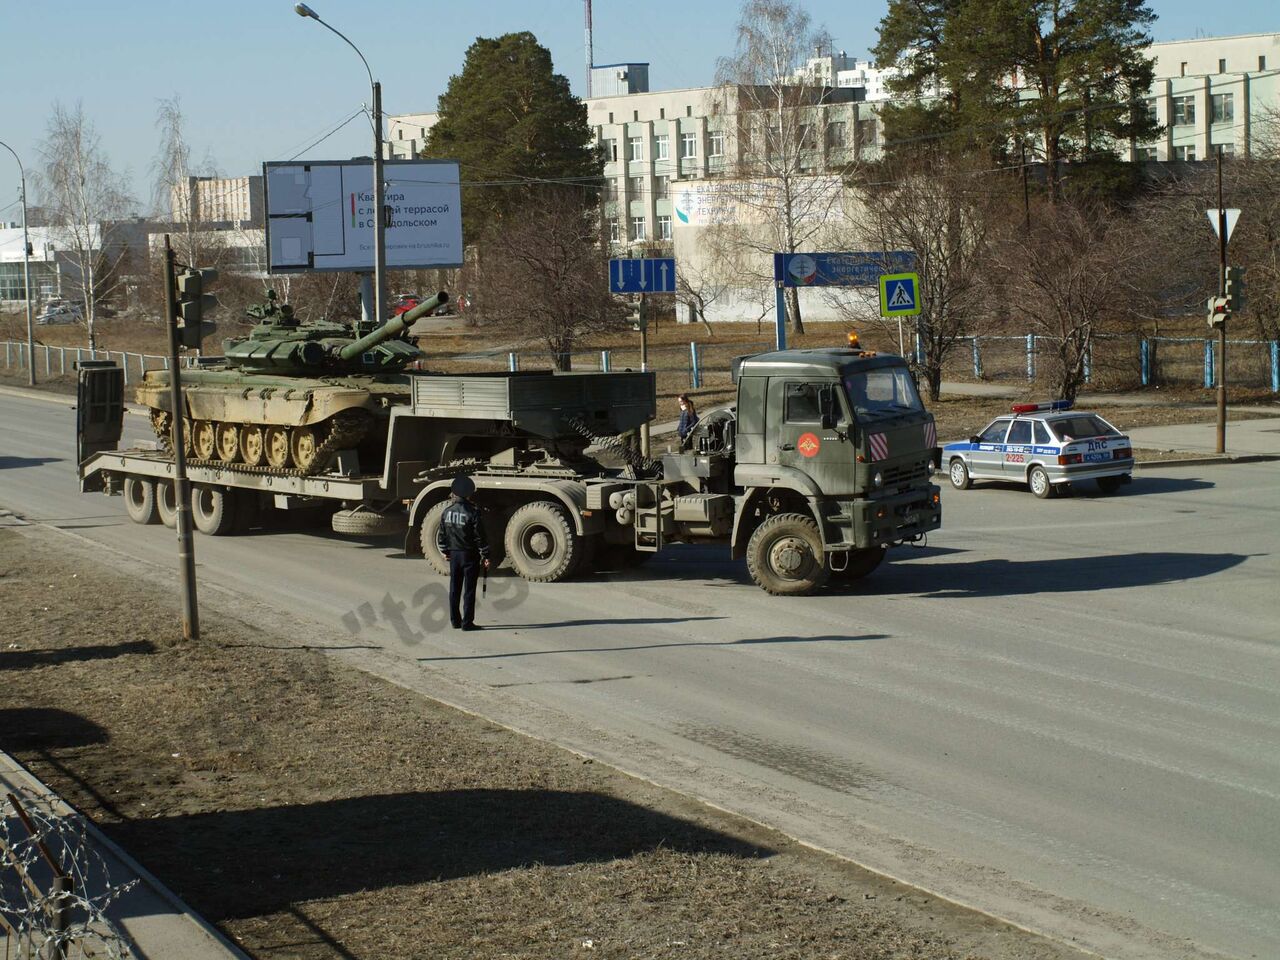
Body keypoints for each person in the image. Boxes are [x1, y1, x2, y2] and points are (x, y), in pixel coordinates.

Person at [439, 475, 490, 631]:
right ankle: (467, 623)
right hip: (469, 555)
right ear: (469, 493)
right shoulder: (473, 512)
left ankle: (455, 621)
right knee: (469, 590)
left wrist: (445, 551)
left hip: (454, 555)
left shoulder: (447, 512)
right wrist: (486, 555)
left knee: (454, 588)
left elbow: (442, 535)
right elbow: (480, 536)